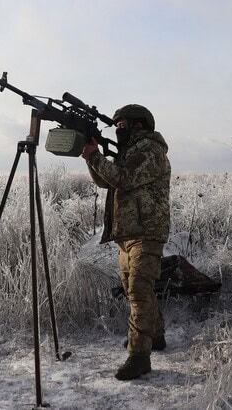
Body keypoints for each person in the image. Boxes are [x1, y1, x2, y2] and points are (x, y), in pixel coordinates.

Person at [81, 104, 171, 381]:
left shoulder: (149, 150)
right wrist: (91, 157)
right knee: (136, 287)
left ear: (138, 126)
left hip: (146, 231)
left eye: (122, 125)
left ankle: (139, 356)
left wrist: (97, 156)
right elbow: (107, 181)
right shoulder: (130, 152)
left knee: (138, 291)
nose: (118, 130)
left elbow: (124, 177)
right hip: (129, 232)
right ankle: (154, 337)